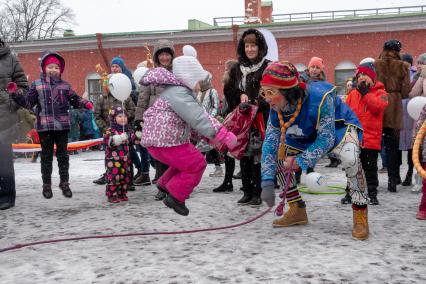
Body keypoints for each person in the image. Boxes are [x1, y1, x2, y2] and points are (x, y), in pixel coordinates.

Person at [260, 62, 369, 240]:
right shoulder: (275, 108)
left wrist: (301, 161)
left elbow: (326, 138)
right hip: (305, 131)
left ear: (287, 91)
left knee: (351, 158)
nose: (266, 98)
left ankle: (360, 212)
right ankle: (296, 209)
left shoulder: (320, 98)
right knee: (279, 156)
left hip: (338, 127)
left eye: (271, 92)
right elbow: (270, 142)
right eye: (264, 92)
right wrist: (266, 181)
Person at [140, 55, 237, 216]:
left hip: (159, 141)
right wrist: (223, 134)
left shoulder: (176, 92)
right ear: (189, 78)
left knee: (185, 162)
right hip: (165, 140)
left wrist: (210, 138)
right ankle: (176, 196)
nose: (201, 84)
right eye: (198, 80)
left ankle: (165, 184)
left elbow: (192, 124)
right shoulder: (179, 94)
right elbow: (199, 117)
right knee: (197, 163)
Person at [9, 51, 93, 199]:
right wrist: (16, 94)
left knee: (63, 156)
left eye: (56, 67)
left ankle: (64, 183)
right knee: (46, 157)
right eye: (50, 67)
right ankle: (46, 185)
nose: (53, 70)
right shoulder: (37, 85)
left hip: (62, 126)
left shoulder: (65, 86)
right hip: (45, 127)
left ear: (60, 70)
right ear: (43, 68)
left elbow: (74, 99)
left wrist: (85, 103)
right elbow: (28, 103)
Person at [223, 28, 270, 206]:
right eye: (247, 46)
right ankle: (247, 191)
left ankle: (257, 192)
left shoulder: (267, 66)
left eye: (253, 46)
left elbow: (270, 92)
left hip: (259, 120)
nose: (250, 49)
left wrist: (256, 101)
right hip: (242, 121)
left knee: (257, 157)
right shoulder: (237, 69)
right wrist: (240, 95)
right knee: (243, 156)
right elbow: (229, 92)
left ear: (260, 47)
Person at [135, 39, 175, 197]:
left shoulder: (177, 73)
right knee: (160, 154)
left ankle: (173, 185)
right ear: (157, 57)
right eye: (161, 55)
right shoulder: (150, 74)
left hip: (173, 118)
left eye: (167, 54)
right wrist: (139, 120)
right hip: (155, 118)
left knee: (173, 154)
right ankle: (162, 185)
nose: (164, 58)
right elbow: (142, 99)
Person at [345, 62, 388, 205]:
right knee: (352, 167)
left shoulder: (382, 93)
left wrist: (366, 94)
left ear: (372, 77)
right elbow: (346, 113)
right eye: (359, 75)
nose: (362, 78)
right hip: (354, 138)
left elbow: (378, 107)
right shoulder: (352, 95)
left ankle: (372, 194)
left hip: (371, 139)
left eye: (365, 75)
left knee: (370, 169)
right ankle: (350, 194)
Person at [93, 57, 136, 187]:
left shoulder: (125, 96)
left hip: (124, 132)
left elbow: (133, 110)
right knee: (110, 156)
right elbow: (97, 115)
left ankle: (129, 180)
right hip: (109, 133)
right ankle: (110, 177)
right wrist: (105, 128)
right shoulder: (102, 98)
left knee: (127, 156)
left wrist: (122, 119)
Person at [375, 39, 411, 192]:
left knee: (374, 144)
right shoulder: (403, 66)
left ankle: (372, 180)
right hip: (395, 105)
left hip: (377, 102)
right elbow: (405, 91)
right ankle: (393, 180)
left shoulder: (375, 64)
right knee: (392, 146)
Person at [0, 38, 29, 210]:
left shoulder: (10, 58)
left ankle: (6, 195)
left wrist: (10, 102)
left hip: (4, 117)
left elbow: (23, 87)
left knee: (3, 159)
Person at [213, 59, 239, 192]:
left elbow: (231, 105)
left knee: (230, 152)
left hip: (234, 122)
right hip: (231, 121)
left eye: (226, 69)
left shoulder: (231, 85)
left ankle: (229, 182)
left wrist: (224, 115)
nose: (224, 71)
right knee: (230, 153)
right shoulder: (232, 84)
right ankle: (229, 181)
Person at [104, 106, 134, 203]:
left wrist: (136, 137)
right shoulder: (110, 130)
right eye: (120, 116)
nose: (123, 118)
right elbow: (106, 141)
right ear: (114, 118)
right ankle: (112, 195)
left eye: (125, 116)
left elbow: (132, 141)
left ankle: (122, 193)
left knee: (124, 176)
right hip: (112, 159)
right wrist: (115, 139)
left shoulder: (128, 130)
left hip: (125, 158)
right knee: (114, 176)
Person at [196, 75, 223, 177]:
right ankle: (216, 168)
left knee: (207, 145)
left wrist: (210, 119)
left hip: (210, 122)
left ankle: (198, 168)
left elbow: (216, 107)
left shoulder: (213, 91)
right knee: (205, 145)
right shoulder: (198, 92)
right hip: (200, 122)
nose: (201, 81)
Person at [398, 53, 417, 186]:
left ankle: (410, 173)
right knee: (397, 147)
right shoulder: (397, 75)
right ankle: (396, 174)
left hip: (411, 116)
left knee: (411, 146)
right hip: (399, 115)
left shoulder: (416, 76)